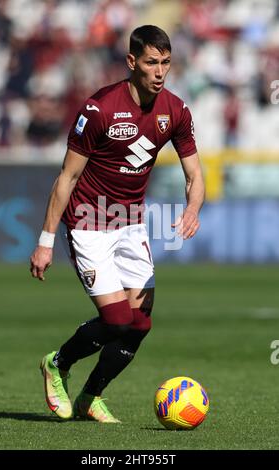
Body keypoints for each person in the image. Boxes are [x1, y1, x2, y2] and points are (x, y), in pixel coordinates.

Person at [30, 25, 205, 423]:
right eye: (151, 63)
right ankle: (57, 363)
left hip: (131, 224)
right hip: (88, 223)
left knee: (139, 323)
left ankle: (91, 396)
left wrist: (192, 208)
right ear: (131, 62)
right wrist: (45, 241)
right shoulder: (99, 109)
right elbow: (66, 178)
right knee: (117, 319)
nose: (160, 72)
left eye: (166, 63)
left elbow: (195, 174)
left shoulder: (176, 111)